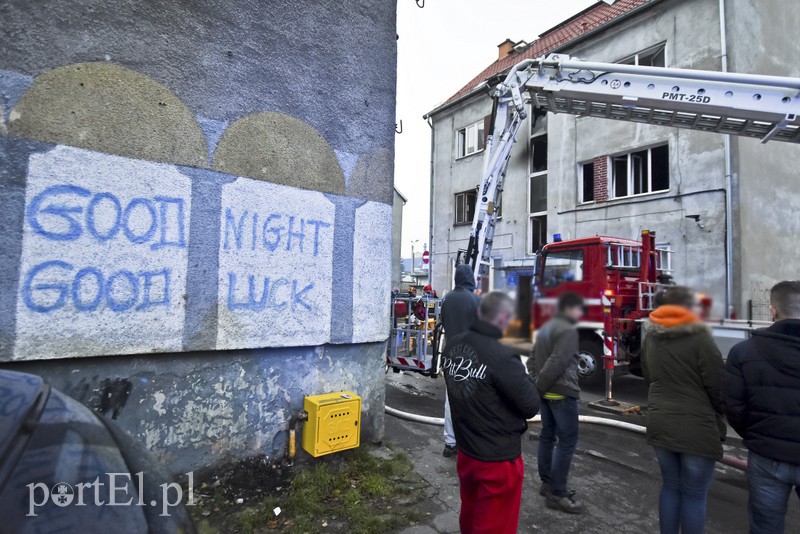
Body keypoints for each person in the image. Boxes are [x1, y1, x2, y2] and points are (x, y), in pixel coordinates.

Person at [442, 291, 540, 534]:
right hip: (496, 460)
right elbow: (530, 405)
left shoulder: (454, 344)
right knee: (495, 525)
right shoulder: (502, 354)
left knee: (471, 513)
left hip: (467, 451)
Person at [642, 286, 725, 534]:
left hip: (660, 420)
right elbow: (717, 383)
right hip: (696, 427)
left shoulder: (651, 338)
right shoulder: (699, 338)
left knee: (670, 486)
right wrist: (721, 412)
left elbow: (649, 377)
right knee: (695, 494)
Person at [723, 281, 800, 534]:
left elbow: (733, 406)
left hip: (766, 457)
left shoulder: (743, 352)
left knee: (765, 527)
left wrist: (757, 435)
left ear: (773, 311)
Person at [529, 292, 584, 514]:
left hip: (546, 396)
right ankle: (557, 492)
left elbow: (532, 359)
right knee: (567, 442)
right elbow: (558, 360)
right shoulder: (568, 330)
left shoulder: (546, 328)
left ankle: (547, 483)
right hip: (562, 395)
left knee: (547, 436)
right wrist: (540, 385)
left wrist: (536, 385)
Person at [440, 264, 481, 458]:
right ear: (471, 279)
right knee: (472, 400)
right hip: (471, 358)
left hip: (450, 356)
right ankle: (469, 442)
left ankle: (450, 442)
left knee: (451, 399)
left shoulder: (447, 300)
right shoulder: (476, 300)